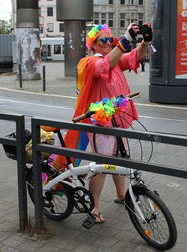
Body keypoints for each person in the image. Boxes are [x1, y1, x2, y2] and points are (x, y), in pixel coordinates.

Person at [58, 23, 152, 224]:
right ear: (93, 44)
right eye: (103, 40)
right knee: (101, 165)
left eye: (111, 39)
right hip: (100, 122)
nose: (108, 43)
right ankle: (94, 207)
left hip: (119, 118)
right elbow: (104, 66)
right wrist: (124, 41)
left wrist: (145, 41)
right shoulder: (88, 62)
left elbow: (135, 57)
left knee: (121, 158)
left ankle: (121, 195)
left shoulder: (115, 60)